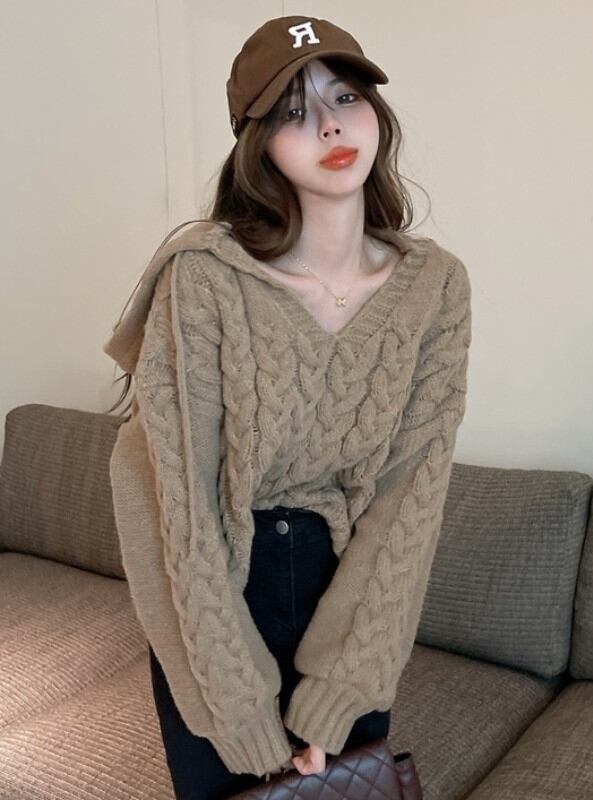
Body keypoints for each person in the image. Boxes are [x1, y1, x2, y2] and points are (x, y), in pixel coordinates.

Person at [102, 14, 471, 800]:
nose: (330, 124)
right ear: (259, 144)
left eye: (346, 96)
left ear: (376, 112)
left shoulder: (436, 287)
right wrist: (235, 703)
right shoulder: (205, 279)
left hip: (353, 594)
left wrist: (345, 683)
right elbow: (178, 502)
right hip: (215, 594)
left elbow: (410, 497)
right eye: (293, 112)